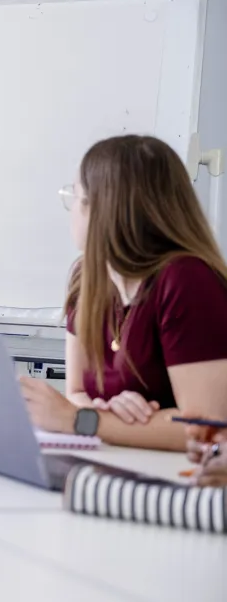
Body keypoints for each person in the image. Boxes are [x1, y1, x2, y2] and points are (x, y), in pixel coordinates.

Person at [21, 135, 227, 451]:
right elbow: (77, 392)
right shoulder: (86, 276)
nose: (72, 208)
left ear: (104, 209)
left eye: (75, 196)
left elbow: (207, 427)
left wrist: (82, 421)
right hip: (116, 463)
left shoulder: (186, 279)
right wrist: (108, 412)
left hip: (178, 484)